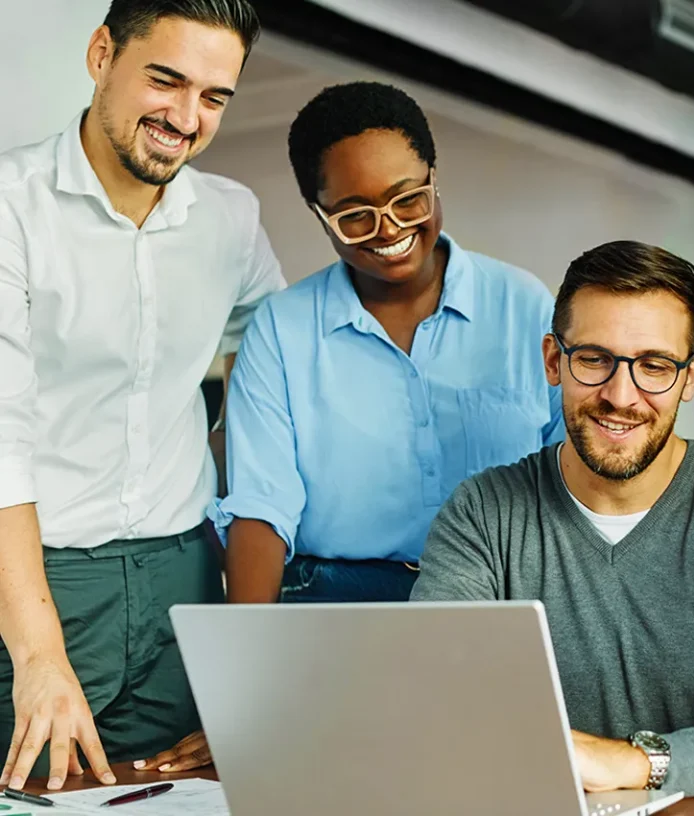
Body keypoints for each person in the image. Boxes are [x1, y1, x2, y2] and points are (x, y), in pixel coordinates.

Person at [0, 0, 285, 792]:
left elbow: (277, 367)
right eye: (167, 81)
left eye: (214, 98)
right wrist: (39, 656)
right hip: (35, 579)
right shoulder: (8, 206)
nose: (186, 118)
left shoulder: (231, 218)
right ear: (101, 55)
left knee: (182, 799)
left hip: (183, 580)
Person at [411, 240, 694, 797]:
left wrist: (629, 764)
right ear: (554, 360)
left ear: (691, 377)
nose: (620, 396)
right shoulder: (481, 514)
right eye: (595, 359)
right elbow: (434, 699)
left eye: (654, 366)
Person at [213, 80, 564, 609]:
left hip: (499, 595)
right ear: (318, 212)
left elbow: (575, 477)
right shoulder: (281, 330)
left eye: (408, 199)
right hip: (332, 599)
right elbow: (261, 507)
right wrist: (246, 661)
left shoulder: (525, 306)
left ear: (433, 180)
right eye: (355, 214)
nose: (390, 229)